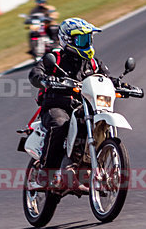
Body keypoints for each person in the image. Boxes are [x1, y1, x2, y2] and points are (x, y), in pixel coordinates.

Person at [28, 17, 110, 187]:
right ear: (67, 40)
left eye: (88, 38)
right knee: (60, 124)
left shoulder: (93, 63)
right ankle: (46, 171)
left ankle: (88, 164)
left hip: (83, 107)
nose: (86, 43)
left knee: (101, 122)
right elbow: (35, 72)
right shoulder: (55, 57)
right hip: (57, 105)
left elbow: (106, 79)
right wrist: (44, 79)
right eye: (81, 39)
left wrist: (122, 85)